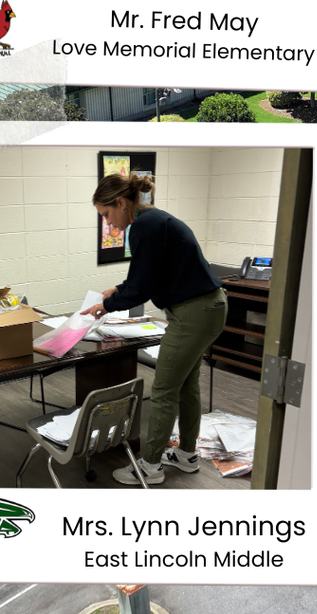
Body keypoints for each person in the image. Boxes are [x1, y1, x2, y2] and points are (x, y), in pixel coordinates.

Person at [81, 171, 227, 485]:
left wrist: (106, 305)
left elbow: (142, 287)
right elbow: (149, 273)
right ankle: (187, 455)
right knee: (187, 387)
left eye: (107, 215)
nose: (109, 223)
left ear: (121, 203)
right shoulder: (154, 219)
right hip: (210, 307)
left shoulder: (143, 226)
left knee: (163, 391)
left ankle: (149, 466)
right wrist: (116, 290)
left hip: (193, 314)